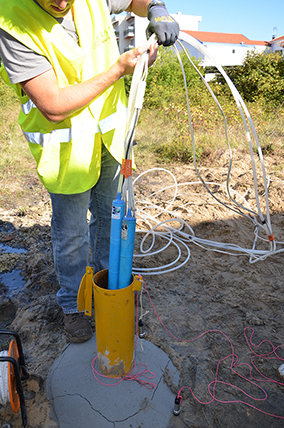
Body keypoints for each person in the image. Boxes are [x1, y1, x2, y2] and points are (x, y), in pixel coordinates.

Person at [0, 0, 179, 342]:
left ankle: (109, 292)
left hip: (110, 136)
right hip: (66, 149)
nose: (62, 3)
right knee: (72, 235)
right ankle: (73, 305)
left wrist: (157, 7)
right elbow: (52, 105)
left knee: (112, 221)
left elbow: (132, 2)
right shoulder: (11, 22)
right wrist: (118, 70)